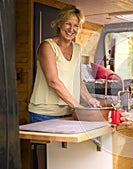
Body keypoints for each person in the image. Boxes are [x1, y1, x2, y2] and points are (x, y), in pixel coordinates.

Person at [28, 5, 100, 169]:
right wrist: (77, 105)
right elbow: (53, 81)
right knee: (45, 164)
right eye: (68, 24)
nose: (72, 29)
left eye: (76, 26)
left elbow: (78, 80)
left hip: (66, 113)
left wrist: (90, 100)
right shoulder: (47, 46)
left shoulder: (77, 48)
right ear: (59, 23)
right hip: (44, 114)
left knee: (61, 161)